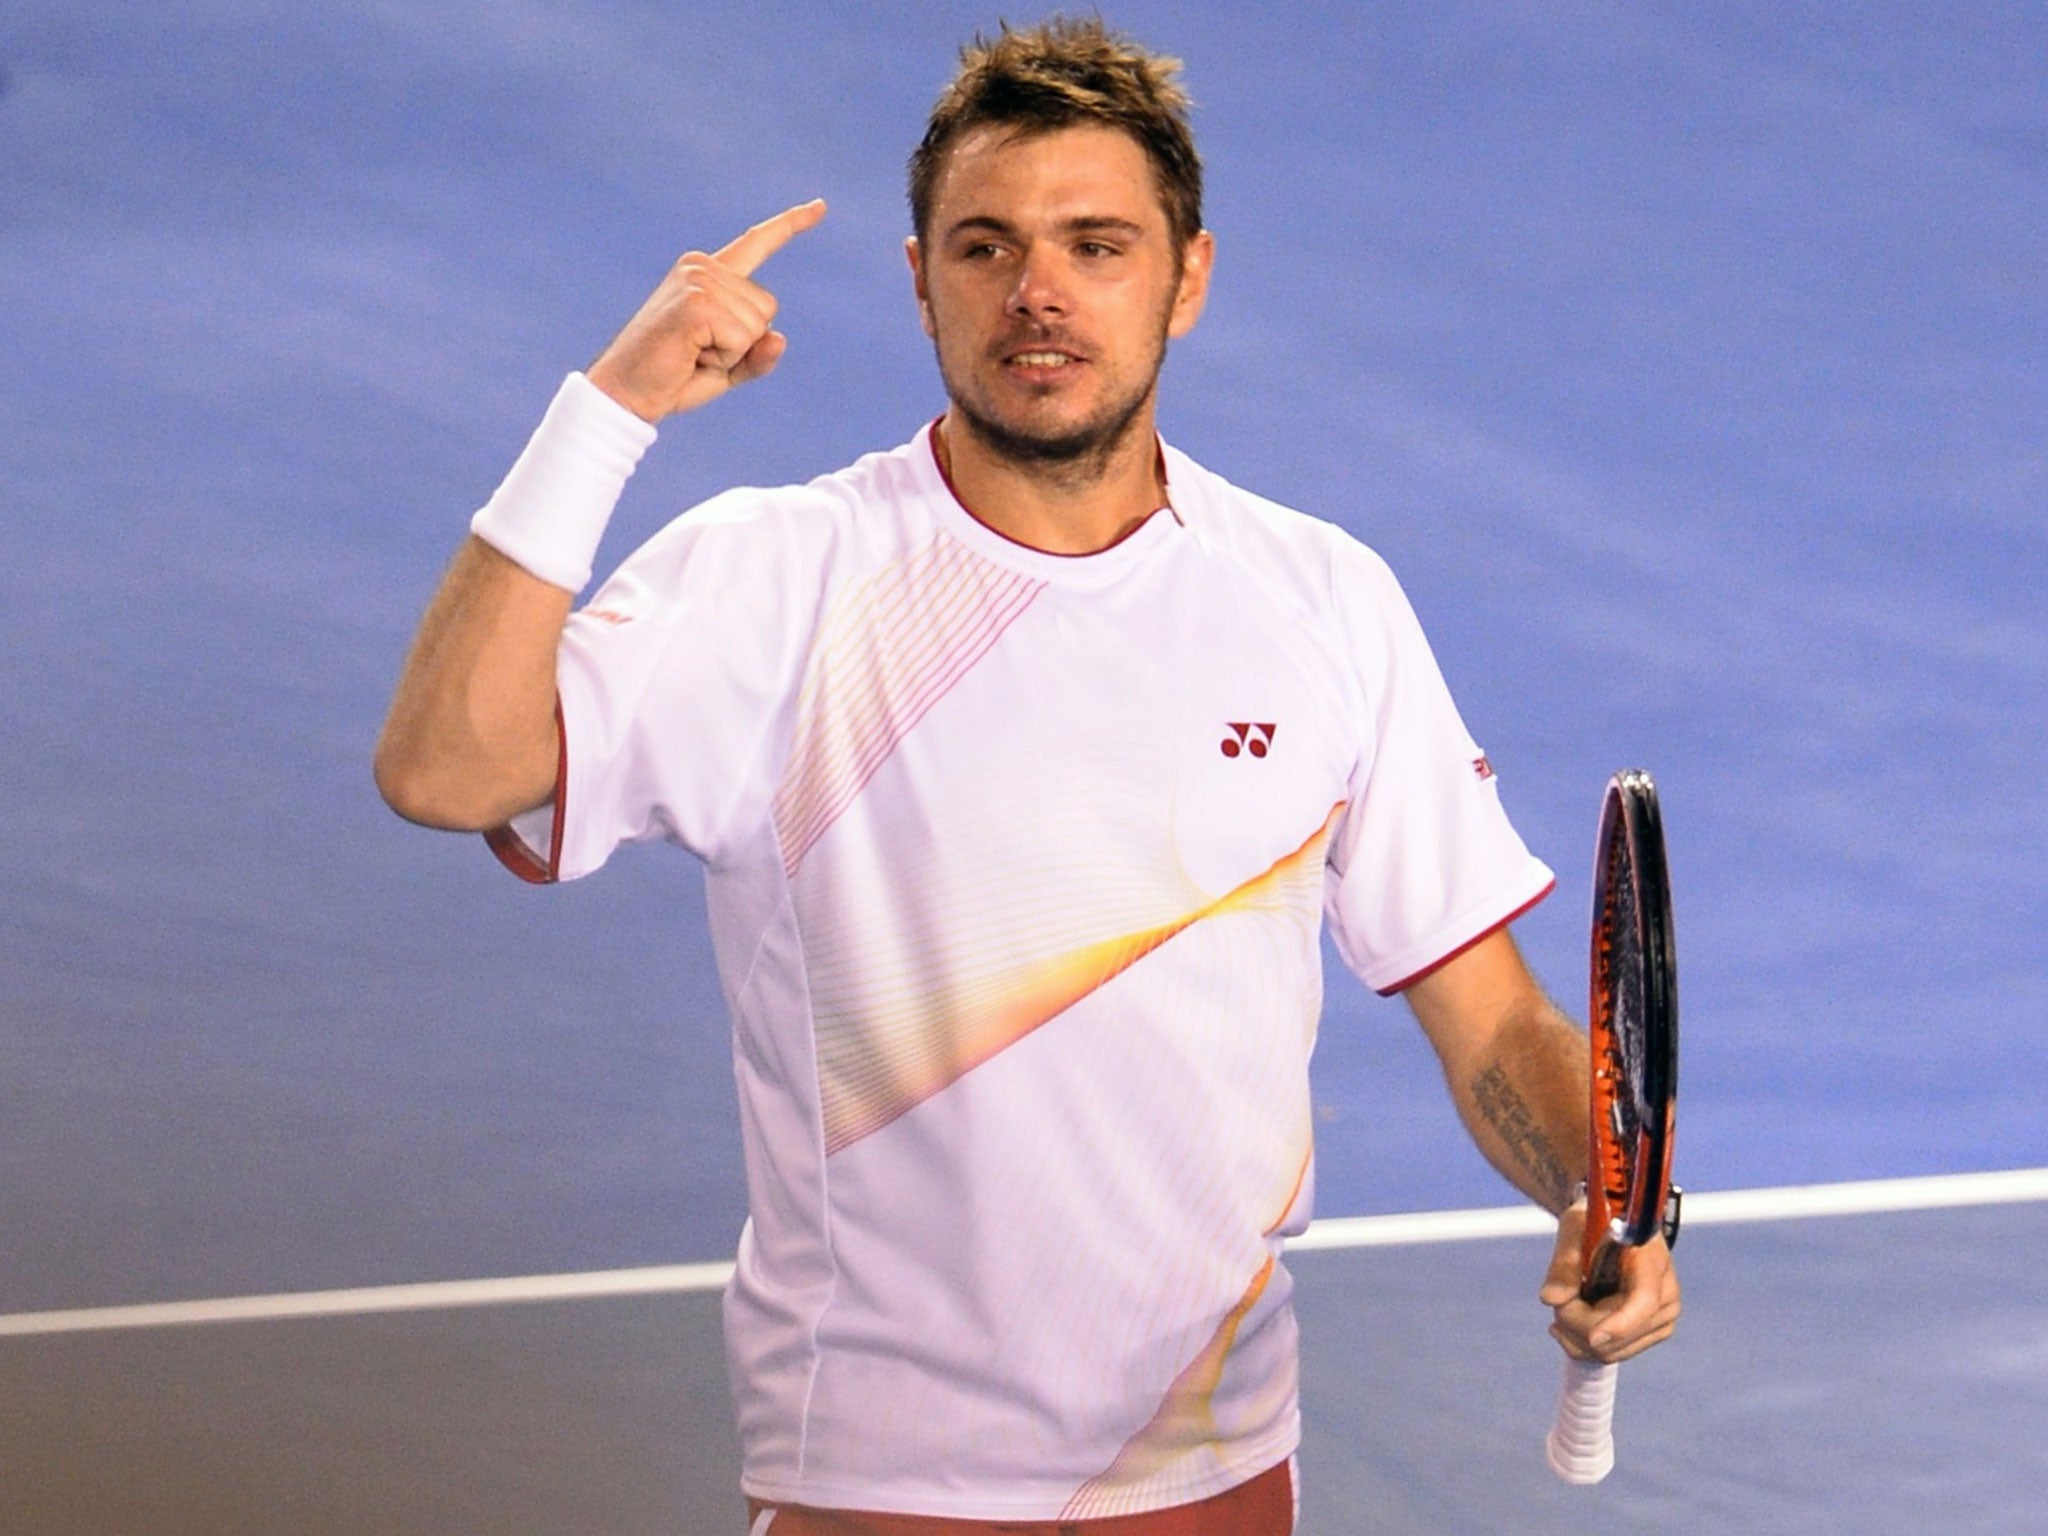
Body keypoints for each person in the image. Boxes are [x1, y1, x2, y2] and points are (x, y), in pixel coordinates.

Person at [374, 16, 1679, 1534]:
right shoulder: (778, 579)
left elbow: (1492, 1020)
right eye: (985, 247)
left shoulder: (1323, 600)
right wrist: (605, 416)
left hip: (1216, 1465)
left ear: (1187, 279)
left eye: (1096, 245)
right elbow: (446, 768)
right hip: (877, 1482)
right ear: (920, 280)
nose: (1040, 292)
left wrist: (1594, 1195)